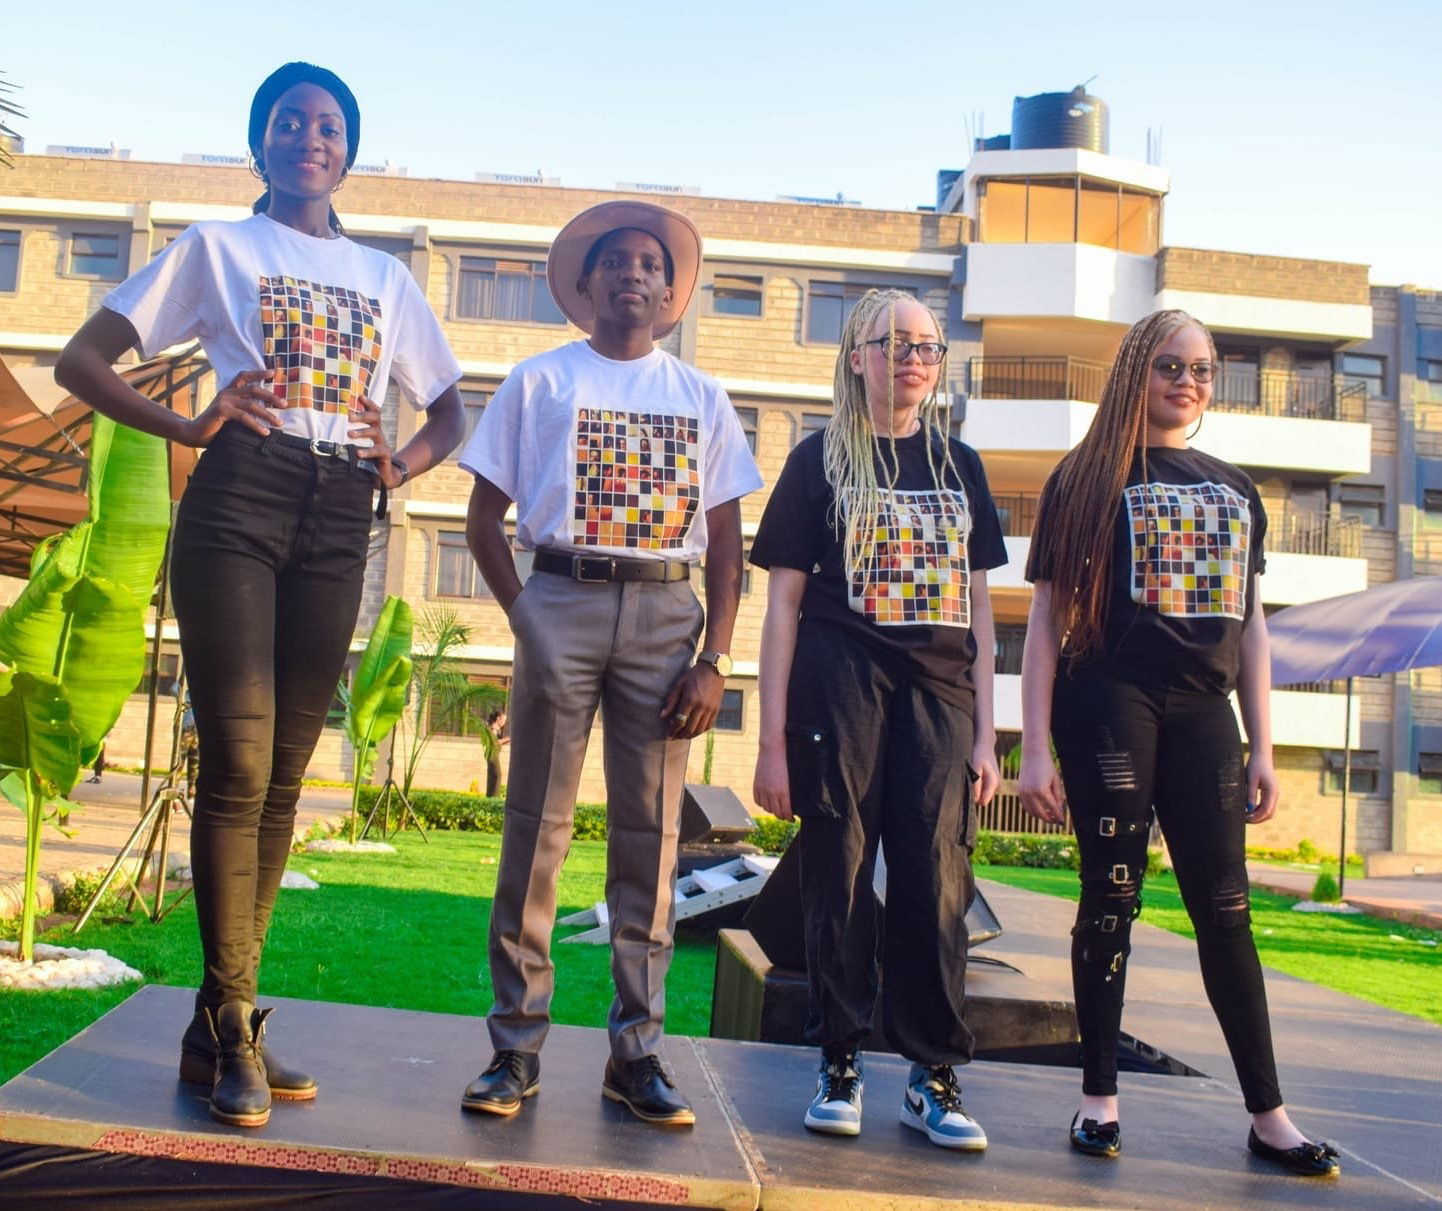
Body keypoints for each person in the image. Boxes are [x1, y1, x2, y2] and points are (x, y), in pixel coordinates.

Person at [55, 62, 465, 1129]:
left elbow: (453, 410)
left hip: (340, 514)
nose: (309, 137)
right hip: (241, 494)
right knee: (236, 754)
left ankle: (215, 1025)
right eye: (289, 122)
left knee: (285, 768)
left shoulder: (385, 277)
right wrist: (188, 427)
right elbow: (83, 358)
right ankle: (234, 1019)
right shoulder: (214, 248)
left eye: (328, 125)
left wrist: (399, 462)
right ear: (261, 141)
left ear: (348, 148)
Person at [1017, 309, 1340, 1177]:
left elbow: (1253, 623)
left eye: (1202, 368)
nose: (1188, 380)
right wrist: (1035, 745)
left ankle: (1269, 1113)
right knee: (1111, 896)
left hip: (1207, 716)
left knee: (1226, 912)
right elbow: (1045, 620)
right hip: (1110, 701)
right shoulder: (1085, 479)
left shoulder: (1235, 485)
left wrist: (1263, 743)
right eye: (1170, 364)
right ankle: (1098, 1098)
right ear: (1135, 372)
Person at [459, 200, 761, 1126]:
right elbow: (481, 518)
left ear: (671, 294)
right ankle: (515, 1048)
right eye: (616, 262)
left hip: (668, 619)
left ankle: (637, 1053)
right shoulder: (539, 382)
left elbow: (725, 545)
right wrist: (529, 617)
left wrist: (715, 655)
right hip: (561, 598)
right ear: (584, 286)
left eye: (650, 264)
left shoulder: (700, 396)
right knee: (536, 828)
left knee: (652, 838)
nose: (634, 273)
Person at [751, 289, 1006, 1150]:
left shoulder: (959, 466)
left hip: (941, 699)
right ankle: (839, 1057)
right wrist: (771, 740)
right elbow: (782, 607)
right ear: (854, 355)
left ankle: (932, 1075)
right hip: (838, 691)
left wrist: (987, 730)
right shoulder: (817, 460)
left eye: (927, 346)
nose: (910, 357)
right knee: (842, 873)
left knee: (937, 881)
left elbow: (981, 611)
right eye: (891, 342)